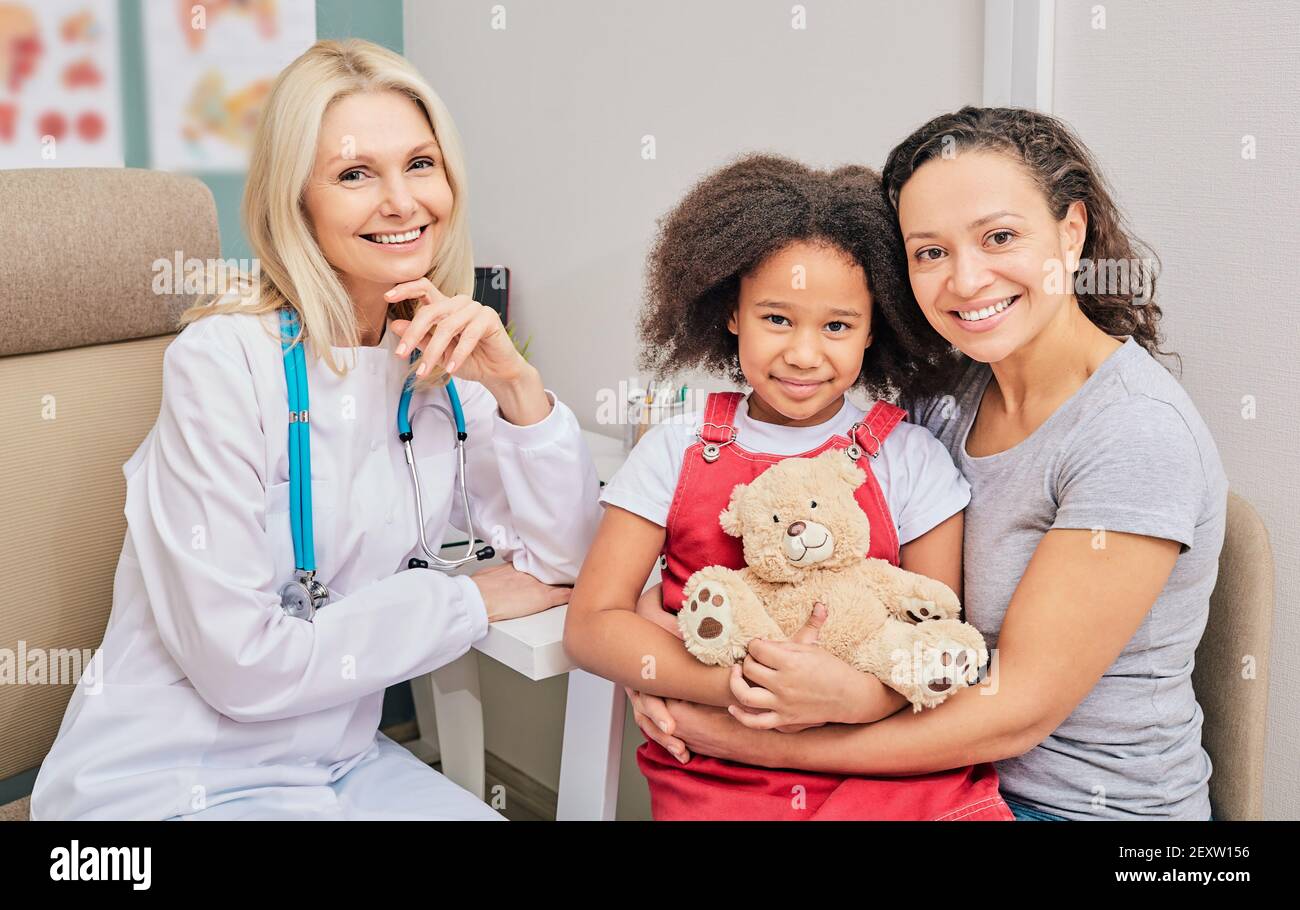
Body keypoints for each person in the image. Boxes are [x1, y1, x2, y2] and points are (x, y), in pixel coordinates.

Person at [30, 39, 601, 820]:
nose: (402, 202)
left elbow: (569, 562)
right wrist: (465, 604)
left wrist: (517, 387)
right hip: (166, 774)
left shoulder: (443, 370)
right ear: (296, 201)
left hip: (338, 763)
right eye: (354, 174)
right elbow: (242, 666)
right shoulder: (223, 362)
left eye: (421, 164)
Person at [633, 108, 1226, 822]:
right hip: (920, 781)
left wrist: (740, 735)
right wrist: (664, 658)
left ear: (1072, 234)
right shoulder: (945, 395)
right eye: (929, 252)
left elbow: (1015, 715)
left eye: (999, 237)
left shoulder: (1134, 435)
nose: (966, 280)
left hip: (1069, 807)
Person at [564, 153, 1013, 820]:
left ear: (873, 329)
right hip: (720, 771)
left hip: (889, 769)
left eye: (837, 326)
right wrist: (737, 687)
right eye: (777, 318)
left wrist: (860, 696)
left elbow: (937, 627)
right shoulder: (673, 448)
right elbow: (593, 625)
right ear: (731, 312)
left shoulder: (910, 459)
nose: (804, 354)